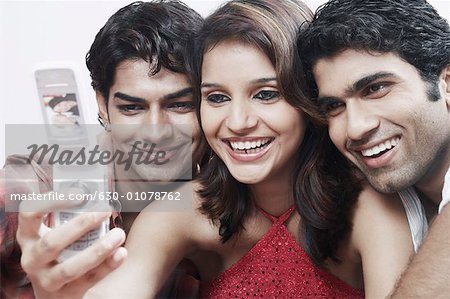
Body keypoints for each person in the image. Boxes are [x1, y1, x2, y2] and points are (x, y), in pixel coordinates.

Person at [86, 0, 415, 298]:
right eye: (217, 98)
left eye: (266, 94)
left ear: (307, 96)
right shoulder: (178, 213)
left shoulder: (371, 207)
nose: (238, 121)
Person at [0, 1, 203, 298]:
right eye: (132, 107)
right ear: (103, 106)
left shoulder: (229, 188)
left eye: (180, 104)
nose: (157, 131)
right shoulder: (38, 185)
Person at [298, 0, 450, 296]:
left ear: (446, 83)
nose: (354, 128)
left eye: (376, 88)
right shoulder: (372, 200)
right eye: (334, 106)